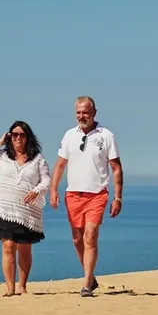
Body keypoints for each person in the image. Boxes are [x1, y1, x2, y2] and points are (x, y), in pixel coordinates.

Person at [50, 95, 123, 297]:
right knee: (77, 239)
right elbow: (60, 164)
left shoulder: (106, 135)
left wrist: (118, 197)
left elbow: (116, 168)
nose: (82, 116)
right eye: (79, 113)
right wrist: (54, 189)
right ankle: (91, 278)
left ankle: (85, 285)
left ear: (94, 113)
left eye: (86, 112)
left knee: (90, 236)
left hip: (97, 194)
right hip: (73, 194)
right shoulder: (69, 135)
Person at [0, 121, 50, 297]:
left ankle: (22, 287)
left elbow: (46, 180)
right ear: (10, 136)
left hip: (27, 211)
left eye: (22, 135)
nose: (18, 138)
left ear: (28, 137)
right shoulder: (2, 155)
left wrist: (37, 191)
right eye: (14, 134)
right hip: (4, 207)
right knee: (8, 246)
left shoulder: (38, 159)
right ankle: (10, 289)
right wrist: (0, 142)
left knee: (24, 248)